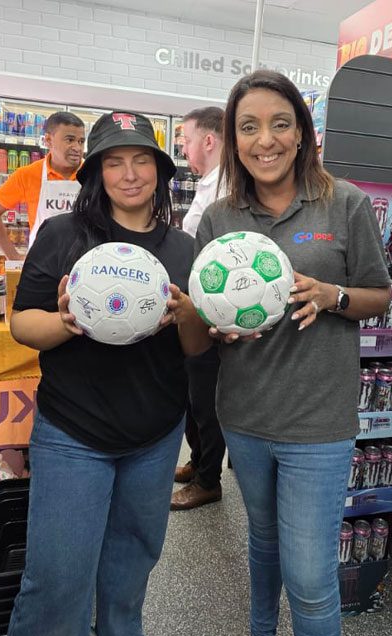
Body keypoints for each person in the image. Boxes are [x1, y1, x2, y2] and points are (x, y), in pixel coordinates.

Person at [0, 111, 210, 636]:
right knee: (55, 583)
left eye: (142, 160)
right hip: (74, 433)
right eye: (114, 161)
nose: (130, 172)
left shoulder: (182, 248)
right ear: (93, 173)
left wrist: (188, 317)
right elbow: (22, 325)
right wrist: (64, 319)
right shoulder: (65, 234)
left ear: (161, 173)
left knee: (135, 551)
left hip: (153, 434)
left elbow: (197, 350)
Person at [196, 71, 391, 636]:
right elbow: (199, 319)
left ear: (303, 131)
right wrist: (206, 320)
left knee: (310, 576)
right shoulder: (218, 219)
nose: (265, 139)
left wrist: (332, 295)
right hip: (245, 414)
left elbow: (377, 293)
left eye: (280, 123)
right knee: (263, 541)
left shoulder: (344, 206)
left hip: (317, 422)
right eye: (249, 127)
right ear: (234, 140)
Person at [171, 106, 227, 511]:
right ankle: (197, 460)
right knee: (193, 393)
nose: (184, 148)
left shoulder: (226, 190)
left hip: (212, 311)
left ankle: (210, 479)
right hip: (194, 306)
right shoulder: (209, 184)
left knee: (205, 397)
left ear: (208, 140)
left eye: (186, 140)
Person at [0, 111, 86, 260]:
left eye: (81, 141)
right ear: (48, 140)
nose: (77, 148)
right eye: (70, 140)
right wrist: (13, 256)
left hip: (82, 265)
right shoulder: (27, 175)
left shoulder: (94, 174)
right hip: (41, 266)